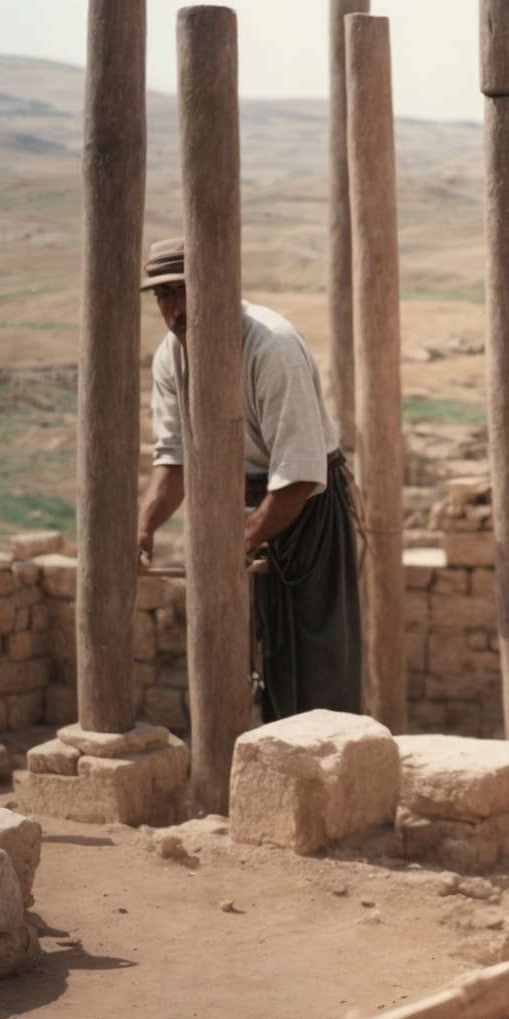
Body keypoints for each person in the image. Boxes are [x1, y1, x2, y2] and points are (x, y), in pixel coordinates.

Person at [134, 236, 364, 723]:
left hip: (308, 512)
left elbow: (299, 474)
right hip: (234, 503)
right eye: (163, 295)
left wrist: (239, 539)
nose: (174, 308)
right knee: (234, 654)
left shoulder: (271, 346)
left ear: (218, 286)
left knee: (315, 664)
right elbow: (173, 459)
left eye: (184, 290)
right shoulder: (170, 357)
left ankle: (327, 764)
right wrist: (142, 528)